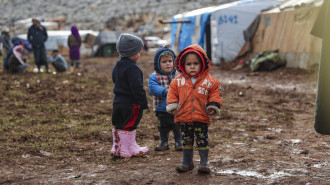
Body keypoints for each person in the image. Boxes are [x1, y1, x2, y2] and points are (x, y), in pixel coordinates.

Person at [166, 44, 222, 174]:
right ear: (183, 65)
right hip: (184, 116)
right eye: (188, 64)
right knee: (186, 140)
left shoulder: (210, 81)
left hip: (201, 116)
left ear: (203, 64)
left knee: (202, 140)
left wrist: (213, 105)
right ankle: (187, 162)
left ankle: (203, 162)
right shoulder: (177, 81)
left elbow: (215, 93)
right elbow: (172, 93)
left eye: (195, 63)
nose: (192, 66)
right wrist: (173, 106)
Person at [111, 33, 149, 158]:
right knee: (129, 125)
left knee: (120, 125)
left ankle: (119, 147)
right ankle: (124, 150)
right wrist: (143, 102)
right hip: (131, 104)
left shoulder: (117, 65)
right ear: (132, 53)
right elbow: (137, 87)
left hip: (117, 102)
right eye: (138, 51)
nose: (139, 54)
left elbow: (114, 79)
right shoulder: (133, 68)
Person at [148, 46, 182, 151]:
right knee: (163, 127)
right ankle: (164, 142)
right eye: (164, 62)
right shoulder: (155, 76)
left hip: (177, 108)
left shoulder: (178, 75)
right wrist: (164, 91)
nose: (167, 64)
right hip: (161, 108)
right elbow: (153, 88)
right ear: (158, 64)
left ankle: (179, 142)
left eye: (170, 61)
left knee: (178, 126)